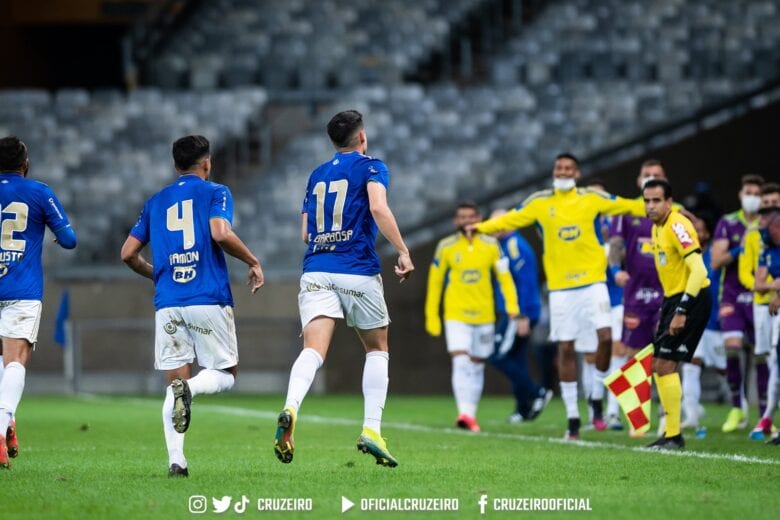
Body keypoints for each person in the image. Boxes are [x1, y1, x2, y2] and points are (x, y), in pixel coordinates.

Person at [466, 153, 646, 440]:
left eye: (568, 168)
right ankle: (574, 418)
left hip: (593, 283)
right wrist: (480, 228)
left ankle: (596, 396)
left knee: (605, 338)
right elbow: (511, 218)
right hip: (561, 290)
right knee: (565, 349)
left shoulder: (591, 198)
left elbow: (630, 205)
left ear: (576, 173)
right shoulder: (540, 202)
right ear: (554, 172)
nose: (563, 172)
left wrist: (673, 208)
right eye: (559, 167)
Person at [273, 110, 413, 468]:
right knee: (377, 348)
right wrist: (402, 249)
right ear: (362, 138)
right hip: (356, 270)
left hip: (317, 268)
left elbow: (306, 232)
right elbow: (379, 207)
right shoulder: (371, 167)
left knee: (313, 350)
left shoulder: (317, 174)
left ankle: (291, 406)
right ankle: (372, 429)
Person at [121, 135, 264, 477]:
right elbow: (219, 232)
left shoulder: (156, 202)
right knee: (226, 376)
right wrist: (252, 260)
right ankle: (194, 388)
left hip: (168, 302)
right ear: (207, 163)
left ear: (175, 165)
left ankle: (176, 462)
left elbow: (128, 253)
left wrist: (158, 274)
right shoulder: (216, 192)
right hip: (207, 297)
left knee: (174, 383)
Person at [0, 136, 77, 469]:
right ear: (25, 163)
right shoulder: (39, 192)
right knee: (15, 359)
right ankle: (2, 423)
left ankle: (7, 421)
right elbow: (69, 240)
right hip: (23, 289)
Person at [425, 203, 519, 432]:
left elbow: (504, 277)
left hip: (484, 315)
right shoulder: (445, 246)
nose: (467, 221)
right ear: (455, 221)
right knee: (460, 360)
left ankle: (470, 414)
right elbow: (435, 281)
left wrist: (512, 305)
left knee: (476, 365)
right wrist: (432, 315)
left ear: (479, 218)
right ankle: (464, 413)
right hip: (456, 313)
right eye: (462, 217)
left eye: (471, 216)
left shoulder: (492, 245)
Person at [643, 179, 712, 450]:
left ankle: (674, 436)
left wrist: (681, 310)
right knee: (660, 366)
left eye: (656, 200)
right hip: (675, 299)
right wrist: (668, 308)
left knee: (667, 365)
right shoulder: (656, 227)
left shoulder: (676, 225)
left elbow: (699, 271)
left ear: (669, 202)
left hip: (692, 299)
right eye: (647, 201)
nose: (651, 206)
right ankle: (670, 433)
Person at [607, 159, 668, 433]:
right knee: (634, 355)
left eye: (655, 175)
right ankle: (637, 418)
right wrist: (615, 269)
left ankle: (668, 415)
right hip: (634, 293)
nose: (650, 178)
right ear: (638, 180)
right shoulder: (626, 210)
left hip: (668, 291)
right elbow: (616, 243)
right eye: (646, 175)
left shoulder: (674, 211)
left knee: (666, 353)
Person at [488, 208, 549, 424]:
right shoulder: (505, 245)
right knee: (516, 358)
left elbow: (525, 282)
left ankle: (537, 392)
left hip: (518, 312)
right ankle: (522, 409)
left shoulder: (514, 246)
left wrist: (521, 315)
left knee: (498, 355)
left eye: (499, 222)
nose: (494, 227)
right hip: (515, 311)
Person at [713, 174, 764, 433]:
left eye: (756, 193)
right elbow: (715, 260)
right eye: (748, 192)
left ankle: (765, 413)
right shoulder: (728, 223)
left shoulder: (770, 223)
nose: (752, 197)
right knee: (732, 348)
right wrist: (739, 249)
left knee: (761, 353)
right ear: (740, 194)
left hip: (760, 295)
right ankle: (736, 406)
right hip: (732, 295)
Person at [741, 183, 780, 440]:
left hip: (774, 306)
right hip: (768, 308)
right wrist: (774, 287)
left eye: (767, 217)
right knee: (772, 361)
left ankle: (766, 417)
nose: (761, 222)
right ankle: (766, 417)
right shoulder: (767, 247)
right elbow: (758, 283)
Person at [680, 213, 725, 435]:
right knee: (691, 365)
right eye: (693, 229)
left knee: (725, 369)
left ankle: (741, 408)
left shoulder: (714, 255)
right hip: (694, 319)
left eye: (700, 229)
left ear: (707, 233)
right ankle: (691, 415)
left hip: (716, 321)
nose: (697, 233)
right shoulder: (683, 255)